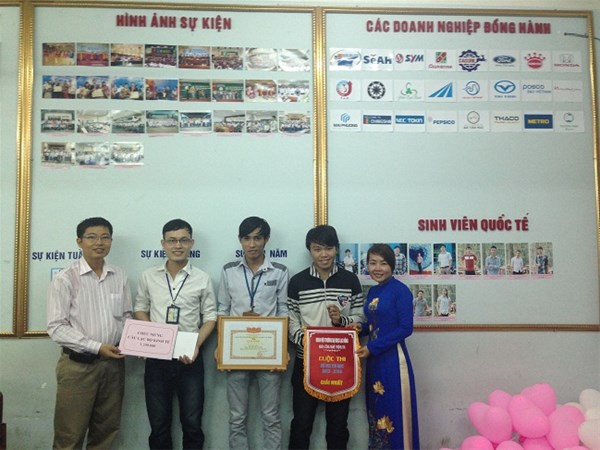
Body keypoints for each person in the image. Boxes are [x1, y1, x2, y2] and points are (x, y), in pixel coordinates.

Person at [47, 217, 132, 449]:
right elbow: (56, 327)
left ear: (111, 241)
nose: (99, 243)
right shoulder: (65, 278)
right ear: (79, 241)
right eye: (92, 237)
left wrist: (135, 342)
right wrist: (97, 347)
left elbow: (126, 316)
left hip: (113, 366)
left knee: (106, 432)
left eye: (105, 237)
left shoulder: (119, 276)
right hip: (78, 367)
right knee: (69, 435)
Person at [135, 219, 217, 450]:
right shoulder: (148, 276)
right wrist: (149, 339)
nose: (177, 246)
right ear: (163, 243)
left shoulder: (202, 278)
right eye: (172, 241)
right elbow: (140, 308)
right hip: (156, 360)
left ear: (191, 243)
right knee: (159, 425)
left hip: (190, 359)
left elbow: (210, 316)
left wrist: (196, 344)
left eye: (183, 240)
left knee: (192, 424)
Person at [287, 225, 365, 450]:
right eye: (317, 249)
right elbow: (290, 319)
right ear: (309, 250)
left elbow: (360, 318)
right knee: (301, 423)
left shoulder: (350, 280)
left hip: (341, 364)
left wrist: (342, 320)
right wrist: (307, 341)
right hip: (306, 362)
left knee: (338, 426)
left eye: (329, 248)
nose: (324, 254)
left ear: (337, 249)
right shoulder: (298, 282)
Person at [216, 216, 289, 450]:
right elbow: (222, 309)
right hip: (235, 353)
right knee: (237, 416)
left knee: (271, 415)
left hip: (269, 353)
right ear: (240, 240)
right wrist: (221, 346)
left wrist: (283, 350)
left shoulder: (279, 271)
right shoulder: (229, 271)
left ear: (266, 240)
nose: (252, 244)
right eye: (247, 238)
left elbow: (283, 310)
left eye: (258, 238)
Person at [356, 244, 420, 450]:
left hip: (393, 361)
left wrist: (372, 347)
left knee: (395, 413)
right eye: (372, 263)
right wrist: (359, 328)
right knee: (376, 412)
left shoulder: (401, 291)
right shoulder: (373, 290)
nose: (377, 268)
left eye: (383, 263)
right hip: (374, 361)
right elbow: (374, 324)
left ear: (392, 265)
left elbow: (405, 328)